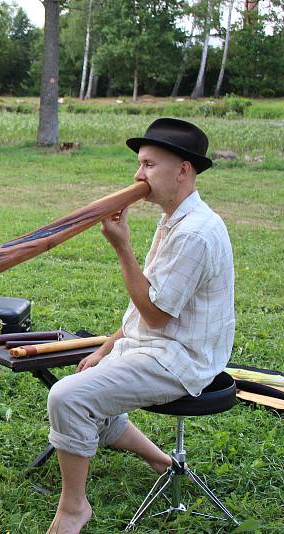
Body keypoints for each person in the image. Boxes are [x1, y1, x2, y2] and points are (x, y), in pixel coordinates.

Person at [45, 118, 235, 533]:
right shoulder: (175, 220)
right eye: (139, 164)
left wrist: (122, 247)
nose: (137, 175)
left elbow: (155, 314)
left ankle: (74, 507)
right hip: (156, 344)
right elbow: (145, 313)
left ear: (183, 169)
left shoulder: (196, 234)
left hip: (181, 359)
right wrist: (106, 347)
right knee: (90, 383)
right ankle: (160, 460)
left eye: (149, 165)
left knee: (68, 398)